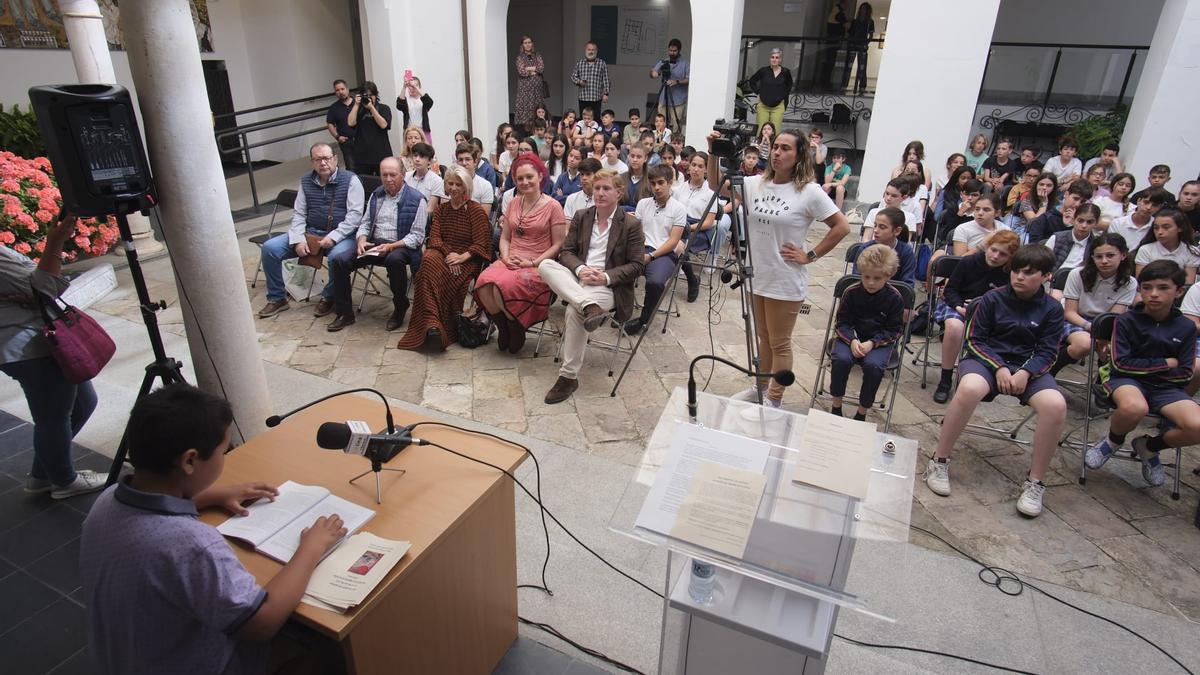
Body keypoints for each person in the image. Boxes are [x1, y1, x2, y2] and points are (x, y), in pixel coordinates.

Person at [80, 383, 348, 675]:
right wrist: (310, 548)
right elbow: (263, 623)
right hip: (196, 664)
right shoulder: (191, 544)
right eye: (224, 450)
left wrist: (213, 495)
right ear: (190, 460)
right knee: (331, 648)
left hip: (125, 658)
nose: (226, 456)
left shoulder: (108, 500)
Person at [707, 127, 851, 408]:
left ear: (799, 156)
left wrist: (810, 254)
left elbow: (842, 226)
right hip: (756, 274)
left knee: (780, 342)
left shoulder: (809, 192)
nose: (777, 152)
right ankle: (760, 387)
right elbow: (716, 185)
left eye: (786, 148)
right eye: (775, 146)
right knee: (764, 338)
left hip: (784, 278)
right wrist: (714, 153)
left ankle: (774, 399)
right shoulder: (755, 183)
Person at [924, 245, 1066, 517]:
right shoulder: (992, 298)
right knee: (969, 388)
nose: (1019, 277)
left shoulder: (1051, 309)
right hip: (987, 359)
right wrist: (999, 367)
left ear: (1046, 277)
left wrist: (1025, 372)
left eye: (1029, 273)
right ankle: (938, 460)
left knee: (1056, 406)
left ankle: (1035, 482)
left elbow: (1049, 351)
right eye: (1016, 271)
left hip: (1028, 367)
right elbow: (975, 340)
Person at [0, 214, 101, 498]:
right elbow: (44, 287)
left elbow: (34, 284)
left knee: (82, 403)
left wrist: (33, 285)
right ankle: (63, 481)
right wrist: (55, 243)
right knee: (54, 417)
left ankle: (44, 475)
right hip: (29, 346)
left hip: (29, 341)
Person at [1086, 260, 1200, 487]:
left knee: (1197, 426)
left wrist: (1154, 368)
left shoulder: (1186, 328)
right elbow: (1121, 364)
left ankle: (1149, 447)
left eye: (1163, 288)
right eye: (1147, 287)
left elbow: (1185, 373)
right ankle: (1113, 440)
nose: (1154, 294)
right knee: (1135, 407)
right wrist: (1165, 363)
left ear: (1178, 291)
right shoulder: (1127, 321)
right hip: (1126, 381)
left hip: (1166, 388)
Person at [539, 170, 645, 403]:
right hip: (579, 279)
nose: (600, 193)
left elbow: (637, 265)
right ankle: (588, 306)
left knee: (572, 311)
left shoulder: (631, 224)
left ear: (619, 192)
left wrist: (605, 277)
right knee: (546, 264)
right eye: (597, 188)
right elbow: (566, 252)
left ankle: (568, 377)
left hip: (609, 287)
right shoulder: (582, 216)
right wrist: (580, 269)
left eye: (606, 188)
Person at [258, 143, 363, 319]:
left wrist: (334, 237)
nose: (323, 163)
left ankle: (329, 297)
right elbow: (299, 214)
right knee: (270, 249)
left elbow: (355, 216)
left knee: (336, 257)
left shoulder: (351, 180)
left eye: (326, 158)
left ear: (335, 159)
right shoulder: (306, 181)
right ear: (312, 162)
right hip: (311, 233)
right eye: (318, 159)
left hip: (344, 235)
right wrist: (298, 239)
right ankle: (277, 298)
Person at [475, 153, 566, 355]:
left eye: (529, 177)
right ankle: (504, 327)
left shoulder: (553, 206)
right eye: (520, 178)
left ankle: (516, 328)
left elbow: (558, 244)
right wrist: (505, 258)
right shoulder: (514, 202)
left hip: (538, 263)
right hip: (511, 258)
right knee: (483, 283)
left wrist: (532, 262)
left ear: (540, 177)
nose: (525, 182)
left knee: (500, 287)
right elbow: (505, 237)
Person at [326, 157, 427, 332]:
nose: (388, 179)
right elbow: (365, 223)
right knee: (339, 260)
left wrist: (392, 246)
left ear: (403, 175)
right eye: (384, 175)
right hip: (375, 243)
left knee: (394, 261)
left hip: (401, 245)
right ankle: (345, 313)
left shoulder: (417, 199)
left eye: (393, 175)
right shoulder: (376, 194)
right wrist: (362, 238)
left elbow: (417, 237)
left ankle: (400, 307)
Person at [398, 165, 493, 351]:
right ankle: (432, 324)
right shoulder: (442, 210)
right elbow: (434, 238)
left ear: (466, 186)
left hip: (468, 258)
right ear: (446, 186)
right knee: (427, 263)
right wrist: (449, 253)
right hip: (445, 254)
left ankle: (436, 326)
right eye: (451, 183)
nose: (454, 188)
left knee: (443, 275)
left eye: (459, 184)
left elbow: (482, 244)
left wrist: (462, 257)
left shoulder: (476, 211)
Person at [931, 230, 1021, 403]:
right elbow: (950, 290)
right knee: (955, 328)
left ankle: (978, 375)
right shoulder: (970, 261)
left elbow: (1010, 299)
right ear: (987, 247)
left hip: (990, 313)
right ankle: (945, 379)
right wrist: (959, 306)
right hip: (959, 306)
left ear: (1010, 257)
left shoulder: (1010, 273)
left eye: (1002, 254)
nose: (995, 256)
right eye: (993, 250)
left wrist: (987, 307)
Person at [830, 244, 903, 421]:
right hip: (850, 338)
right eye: (866, 277)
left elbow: (894, 330)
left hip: (879, 342)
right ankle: (836, 405)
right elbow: (842, 323)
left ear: (888, 276)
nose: (870, 282)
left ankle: (862, 411)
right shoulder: (852, 292)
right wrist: (852, 340)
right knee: (841, 359)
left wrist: (873, 343)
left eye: (877, 278)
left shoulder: (895, 298)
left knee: (874, 366)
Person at [623, 164, 688, 336]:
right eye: (653, 183)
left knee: (656, 282)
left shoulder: (679, 208)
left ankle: (644, 319)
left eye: (661, 183)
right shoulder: (643, 204)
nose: (657, 187)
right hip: (641, 248)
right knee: (616, 269)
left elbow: (674, 241)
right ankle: (620, 311)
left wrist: (650, 256)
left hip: (663, 253)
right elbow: (636, 231)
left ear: (670, 182)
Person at [1057, 233, 1135, 374]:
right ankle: (1052, 369)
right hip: (1076, 319)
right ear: (1092, 257)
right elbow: (1069, 312)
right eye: (1098, 257)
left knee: (1111, 351)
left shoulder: (1129, 282)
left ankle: (1103, 382)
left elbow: (1114, 316)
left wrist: (1102, 334)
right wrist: (1091, 328)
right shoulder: (1077, 274)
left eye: (1110, 255)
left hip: (1105, 323)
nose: (1104, 261)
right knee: (1084, 344)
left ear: (1123, 255)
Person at [674, 152, 720, 302]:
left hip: (699, 230)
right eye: (694, 165)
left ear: (706, 169)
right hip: (679, 224)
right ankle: (692, 278)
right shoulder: (680, 188)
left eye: (700, 166)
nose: (696, 169)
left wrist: (687, 227)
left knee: (677, 244)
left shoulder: (711, 193)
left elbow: (708, 222)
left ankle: (692, 281)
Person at [1133, 209, 1200, 284]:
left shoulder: (1191, 251)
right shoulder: (1146, 250)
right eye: (1156, 228)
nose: (1160, 232)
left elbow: (1187, 284)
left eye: (1166, 227)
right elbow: (1141, 282)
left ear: (1180, 228)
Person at [853, 207, 917, 285]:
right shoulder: (865, 248)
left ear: (897, 231)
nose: (876, 230)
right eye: (875, 225)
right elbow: (856, 278)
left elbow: (908, 284)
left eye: (882, 227)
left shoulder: (906, 252)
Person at [346, 81, 392, 174]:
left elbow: (383, 125)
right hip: (362, 156)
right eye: (365, 95)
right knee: (364, 184)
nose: (369, 98)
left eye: (371, 95)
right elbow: (350, 123)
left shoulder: (384, 108)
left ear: (376, 95)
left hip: (381, 154)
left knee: (384, 183)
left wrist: (371, 108)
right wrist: (356, 104)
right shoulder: (357, 109)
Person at [436, 142, 495, 215]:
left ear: (475, 162)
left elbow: (483, 217)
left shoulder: (485, 186)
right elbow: (445, 212)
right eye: (460, 160)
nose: (464, 163)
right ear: (456, 162)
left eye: (467, 159)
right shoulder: (448, 183)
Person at [1026, 181, 1094, 244]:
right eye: (1075, 198)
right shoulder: (1045, 219)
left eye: (1083, 202)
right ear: (1066, 194)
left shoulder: (1083, 224)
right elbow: (1034, 247)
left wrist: (1074, 226)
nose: (1077, 204)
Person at [748, 48, 794, 135]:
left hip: (778, 106)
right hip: (763, 106)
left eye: (777, 57)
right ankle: (760, 147)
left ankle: (774, 147)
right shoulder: (764, 71)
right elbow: (752, 81)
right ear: (770, 59)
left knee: (775, 131)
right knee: (761, 130)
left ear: (780, 59)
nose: (774, 59)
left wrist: (782, 96)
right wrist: (758, 92)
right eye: (772, 57)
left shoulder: (786, 72)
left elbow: (789, 86)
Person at [650, 38, 691, 134]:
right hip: (663, 98)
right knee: (660, 123)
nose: (672, 53)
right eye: (670, 50)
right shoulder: (664, 61)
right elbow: (653, 72)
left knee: (676, 124)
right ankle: (660, 141)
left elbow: (689, 79)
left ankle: (674, 144)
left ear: (679, 50)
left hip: (678, 99)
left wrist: (677, 81)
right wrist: (654, 73)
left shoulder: (685, 63)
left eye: (674, 51)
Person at [1044, 202, 1098, 274]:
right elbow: (1042, 264)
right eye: (1080, 221)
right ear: (1073, 220)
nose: (1084, 225)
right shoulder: (1056, 238)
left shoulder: (1096, 245)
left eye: (1089, 222)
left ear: (1096, 224)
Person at [572, 42, 610, 122]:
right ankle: (583, 134)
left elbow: (606, 79)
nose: (591, 51)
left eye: (593, 50)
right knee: (583, 119)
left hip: (596, 98)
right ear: (585, 50)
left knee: (596, 119)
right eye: (589, 49)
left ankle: (595, 134)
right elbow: (573, 77)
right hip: (583, 97)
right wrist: (579, 81)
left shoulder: (602, 63)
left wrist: (606, 94)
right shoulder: (580, 63)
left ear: (596, 51)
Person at [514, 35, 546, 130]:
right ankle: (526, 131)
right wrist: (533, 69)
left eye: (529, 42)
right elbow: (521, 71)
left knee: (536, 108)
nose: (527, 45)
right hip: (525, 90)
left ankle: (536, 129)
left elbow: (541, 68)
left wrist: (528, 68)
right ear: (522, 45)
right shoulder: (520, 57)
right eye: (525, 43)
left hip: (537, 89)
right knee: (526, 110)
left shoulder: (537, 55)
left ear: (532, 44)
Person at [842, 2, 874, 94]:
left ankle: (862, 86)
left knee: (862, 67)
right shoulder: (855, 21)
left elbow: (870, 34)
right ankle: (844, 85)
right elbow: (850, 33)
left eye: (864, 9)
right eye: (861, 8)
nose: (862, 10)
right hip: (853, 44)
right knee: (848, 66)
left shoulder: (869, 22)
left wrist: (867, 43)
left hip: (861, 46)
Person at [325, 79, 357, 171]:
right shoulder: (334, 108)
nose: (340, 92)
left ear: (347, 89)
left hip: (361, 140)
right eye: (337, 90)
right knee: (351, 167)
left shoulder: (357, 103)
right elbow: (330, 123)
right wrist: (337, 137)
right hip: (346, 143)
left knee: (365, 166)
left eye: (342, 89)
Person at [405, 141, 444, 213]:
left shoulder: (436, 180)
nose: (417, 159)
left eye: (422, 157)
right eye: (415, 155)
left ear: (429, 161)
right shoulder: (406, 176)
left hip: (424, 217)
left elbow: (430, 209)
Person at [395, 75, 434, 143]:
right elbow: (399, 106)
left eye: (416, 85)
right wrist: (404, 86)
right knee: (409, 152)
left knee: (426, 151)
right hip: (409, 132)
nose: (412, 88)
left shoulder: (422, 100)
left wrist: (416, 87)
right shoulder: (406, 100)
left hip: (423, 130)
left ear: (419, 87)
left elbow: (429, 102)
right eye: (410, 86)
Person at [621, 144, 652, 208]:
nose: (635, 160)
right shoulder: (621, 178)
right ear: (628, 157)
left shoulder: (651, 180)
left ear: (645, 158)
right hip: (622, 216)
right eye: (632, 156)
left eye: (639, 157)